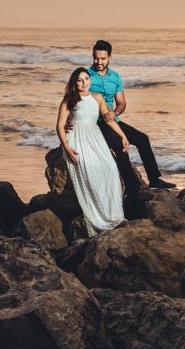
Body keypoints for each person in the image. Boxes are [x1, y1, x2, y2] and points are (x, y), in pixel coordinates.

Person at [86, 39, 176, 198]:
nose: (98, 62)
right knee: (121, 145)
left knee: (142, 139)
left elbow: (121, 103)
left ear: (110, 58)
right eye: (96, 58)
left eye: (102, 58)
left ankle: (154, 179)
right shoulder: (86, 76)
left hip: (113, 121)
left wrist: (115, 113)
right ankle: (133, 189)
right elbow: (73, 99)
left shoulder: (115, 77)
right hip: (95, 123)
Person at [56, 67, 128, 236]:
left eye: (86, 79)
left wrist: (123, 136)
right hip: (76, 138)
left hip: (95, 137)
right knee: (90, 171)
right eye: (80, 80)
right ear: (74, 83)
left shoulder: (97, 97)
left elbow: (109, 119)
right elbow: (59, 125)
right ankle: (98, 219)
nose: (84, 83)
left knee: (110, 167)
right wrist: (66, 146)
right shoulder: (69, 100)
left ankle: (115, 216)